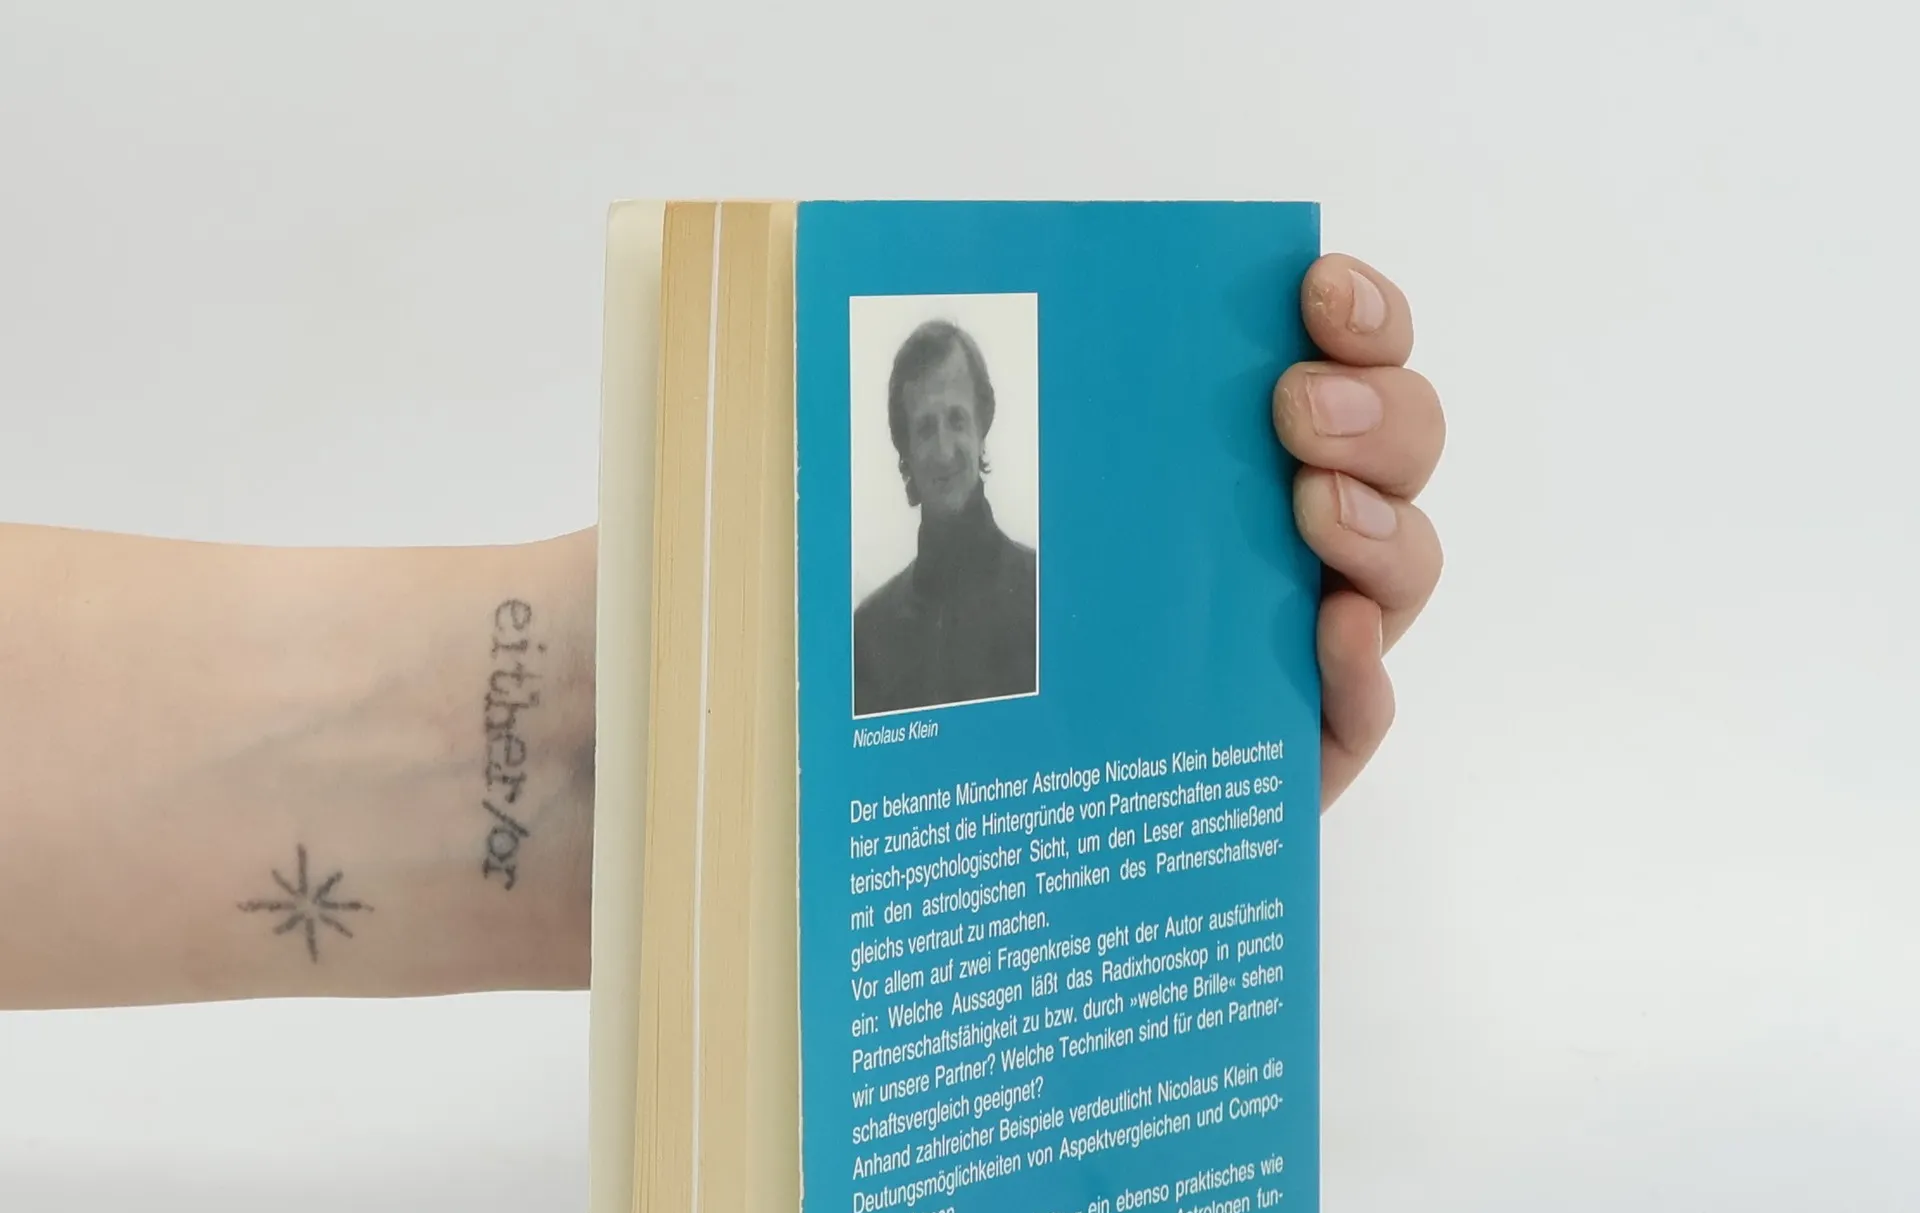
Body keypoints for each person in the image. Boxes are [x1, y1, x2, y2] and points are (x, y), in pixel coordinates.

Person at [0, 253, 1444, 1012]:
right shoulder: (872, 628)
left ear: (989, 433)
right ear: (897, 455)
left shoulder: (1029, 610)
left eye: (961, 416)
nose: (943, 440)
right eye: (920, 422)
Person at [853, 318, 1037, 716]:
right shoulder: (867, 635)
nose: (943, 451)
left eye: (956, 420)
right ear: (905, 450)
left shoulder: (1041, 594)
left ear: (982, 427)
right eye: (924, 428)